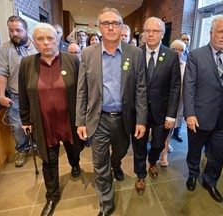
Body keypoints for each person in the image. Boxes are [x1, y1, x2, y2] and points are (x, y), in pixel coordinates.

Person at [76, 7, 147, 215]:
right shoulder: (88, 54)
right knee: (100, 164)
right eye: (106, 23)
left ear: (121, 26)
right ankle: (106, 204)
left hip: (124, 119)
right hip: (98, 119)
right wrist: (80, 121)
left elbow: (141, 89)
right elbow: (82, 90)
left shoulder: (134, 54)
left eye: (115, 23)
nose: (110, 27)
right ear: (99, 28)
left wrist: (141, 120)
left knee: (120, 153)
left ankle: (116, 165)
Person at [18, 23, 84, 216]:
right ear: (34, 41)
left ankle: (75, 164)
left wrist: (83, 120)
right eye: (40, 39)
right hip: (44, 123)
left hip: (69, 121)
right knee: (49, 160)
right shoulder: (27, 63)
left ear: (58, 39)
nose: (46, 43)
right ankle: (52, 196)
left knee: (74, 150)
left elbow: (82, 93)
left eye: (50, 38)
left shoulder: (72, 61)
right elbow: (23, 93)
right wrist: (25, 119)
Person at [183, 15, 223, 203]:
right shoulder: (196, 55)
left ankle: (210, 180)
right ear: (211, 33)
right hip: (200, 116)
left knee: (217, 153)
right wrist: (189, 113)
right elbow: (189, 86)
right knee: (195, 149)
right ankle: (192, 174)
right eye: (220, 32)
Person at [132, 17, 181, 196]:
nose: (151, 34)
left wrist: (171, 115)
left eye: (156, 31)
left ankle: (153, 162)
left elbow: (175, 86)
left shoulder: (171, 56)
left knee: (159, 144)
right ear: (143, 33)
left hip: (162, 112)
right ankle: (140, 175)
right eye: (148, 30)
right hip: (139, 111)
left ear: (162, 34)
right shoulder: (135, 53)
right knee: (139, 145)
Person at [0, 15, 38, 167]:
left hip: (38, 94)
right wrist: (0, 95)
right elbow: (1, 74)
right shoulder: (2, 50)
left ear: (26, 30)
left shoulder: (38, 46)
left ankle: (39, 147)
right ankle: (22, 149)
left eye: (18, 30)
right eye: (11, 30)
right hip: (17, 95)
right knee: (18, 125)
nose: (15, 34)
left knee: (40, 122)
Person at [160, 39, 186, 166]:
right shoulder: (163, 63)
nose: (177, 52)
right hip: (162, 101)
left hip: (177, 103)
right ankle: (160, 147)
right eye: (175, 49)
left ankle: (164, 153)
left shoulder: (185, 66)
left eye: (180, 50)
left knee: (169, 128)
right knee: (159, 127)